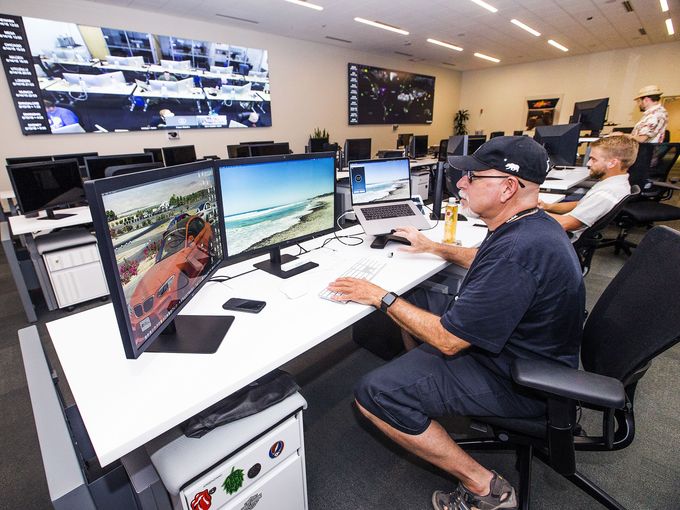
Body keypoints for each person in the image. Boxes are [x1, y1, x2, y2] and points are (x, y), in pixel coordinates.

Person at [327, 136, 585, 510]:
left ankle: (486, 489)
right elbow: (481, 257)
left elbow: (448, 341)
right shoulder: (532, 225)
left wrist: (378, 295)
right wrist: (433, 247)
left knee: (373, 391)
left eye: (472, 177)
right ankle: (423, 399)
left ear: (507, 187)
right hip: (528, 355)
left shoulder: (518, 251)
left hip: (520, 380)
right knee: (415, 302)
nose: (460, 184)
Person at [539, 135, 638, 241]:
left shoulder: (607, 193)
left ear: (612, 163)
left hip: (562, 237)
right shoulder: (613, 183)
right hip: (563, 227)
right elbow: (580, 204)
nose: (588, 163)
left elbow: (565, 223)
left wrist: (532, 211)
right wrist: (547, 206)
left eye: (593, 159)